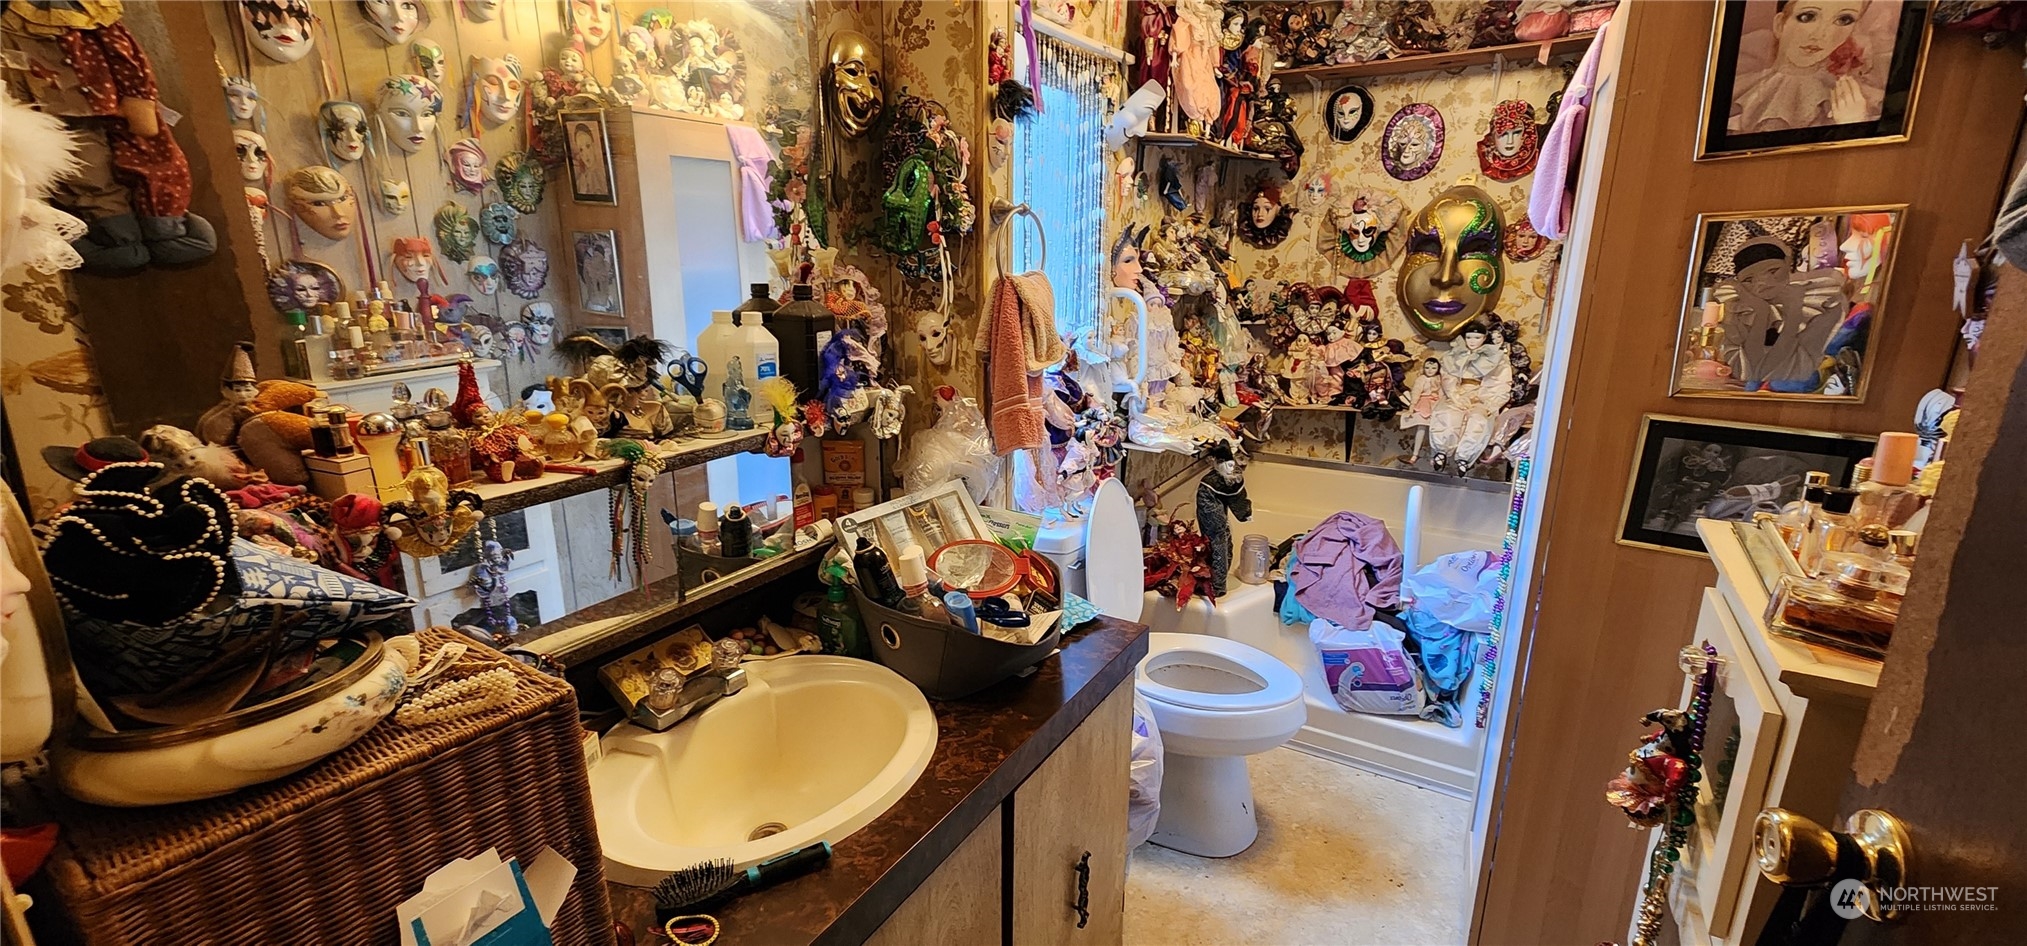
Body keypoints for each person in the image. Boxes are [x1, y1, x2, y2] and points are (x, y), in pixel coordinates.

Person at [1729, 0, 1880, 133]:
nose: (1821, 34)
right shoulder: (1736, 88)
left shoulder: (1857, 100)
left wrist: (1852, 124)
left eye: (1843, 20)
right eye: (1808, 17)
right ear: (1780, 24)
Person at [570, 125, 608, 196]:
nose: (585, 154)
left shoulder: (604, 175)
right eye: (581, 150)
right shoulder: (581, 182)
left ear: (593, 145)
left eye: (588, 146)